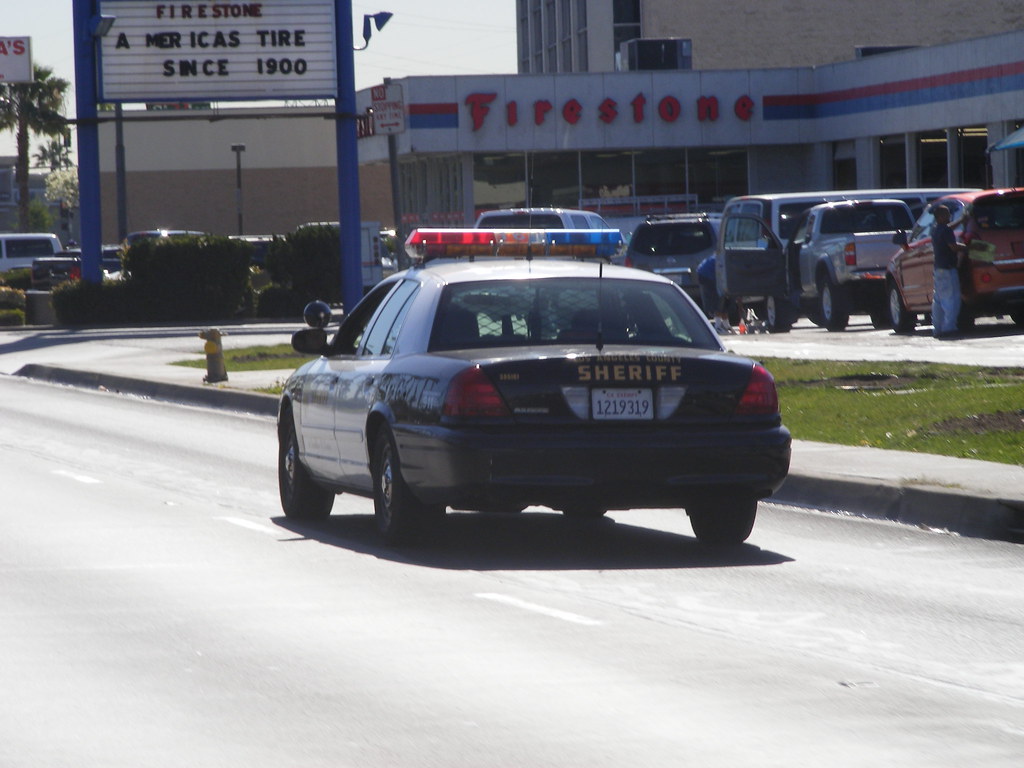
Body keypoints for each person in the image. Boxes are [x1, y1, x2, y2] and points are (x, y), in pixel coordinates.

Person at [930, 205, 968, 339]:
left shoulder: (935, 229)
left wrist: (960, 221)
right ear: (940, 216)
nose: (949, 216)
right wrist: (968, 247)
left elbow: (947, 229)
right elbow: (953, 246)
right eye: (946, 214)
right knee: (951, 299)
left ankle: (938, 328)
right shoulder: (945, 231)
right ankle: (949, 328)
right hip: (948, 269)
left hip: (938, 269)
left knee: (939, 300)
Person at [697, 252, 732, 333]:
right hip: (706, 275)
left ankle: (726, 325)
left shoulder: (724, 257)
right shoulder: (725, 260)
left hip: (705, 273)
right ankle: (718, 326)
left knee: (724, 299)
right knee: (718, 299)